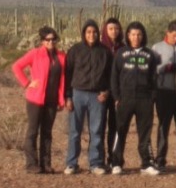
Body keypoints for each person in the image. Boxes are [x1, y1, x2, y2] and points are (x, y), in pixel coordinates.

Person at [13, 26, 66, 174]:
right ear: (42, 41)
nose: (51, 42)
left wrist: (61, 99)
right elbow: (16, 66)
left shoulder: (61, 56)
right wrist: (27, 83)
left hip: (52, 99)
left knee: (47, 132)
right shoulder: (35, 54)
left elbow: (63, 79)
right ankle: (31, 164)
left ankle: (46, 164)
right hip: (35, 99)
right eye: (47, 39)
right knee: (32, 131)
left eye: (53, 39)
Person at [110, 21, 159, 176]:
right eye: (132, 34)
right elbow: (114, 76)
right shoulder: (121, 53)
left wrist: (152, 97)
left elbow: (154, 78)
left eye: (138, 34)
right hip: (125, 98)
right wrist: (117, 97)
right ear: (128, 36)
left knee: (145, 132)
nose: (136, 37)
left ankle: (147, 163)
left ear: (143, 35)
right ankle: (116, 162)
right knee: (120, 130)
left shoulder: (150, 54)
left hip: (144, 99)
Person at [63, 19, 111, 175]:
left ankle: (95, 164)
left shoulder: (105, 52)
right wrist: (68, 97)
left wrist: (107, 92)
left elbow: (111, 75)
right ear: (84, 33)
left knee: (96, 131)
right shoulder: (75, 50)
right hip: (78, 93)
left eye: (95, 32)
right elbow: (67, 75)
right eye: (89, 32)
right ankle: (71, 163)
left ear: (98, 33)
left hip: (98, 96)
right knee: (75, 130)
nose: (92, 35)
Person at [151, 19, 176, 170]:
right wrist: (165, 68)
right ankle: (160, 159)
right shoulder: (157, 48)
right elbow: (152, 70)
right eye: (174, 35)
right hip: (163, 91)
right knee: (163, 126)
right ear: (167, 33)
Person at [100, 17, 124, 167]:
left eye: (116, 28)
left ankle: (114, 159)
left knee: (115, 127)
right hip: (102, 93)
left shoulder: (123, 48)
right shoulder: (100, 47)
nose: (114, 31)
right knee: (99, 127)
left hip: (117, 93)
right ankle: (98, 160)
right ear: (105, 30)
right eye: (110, 29)